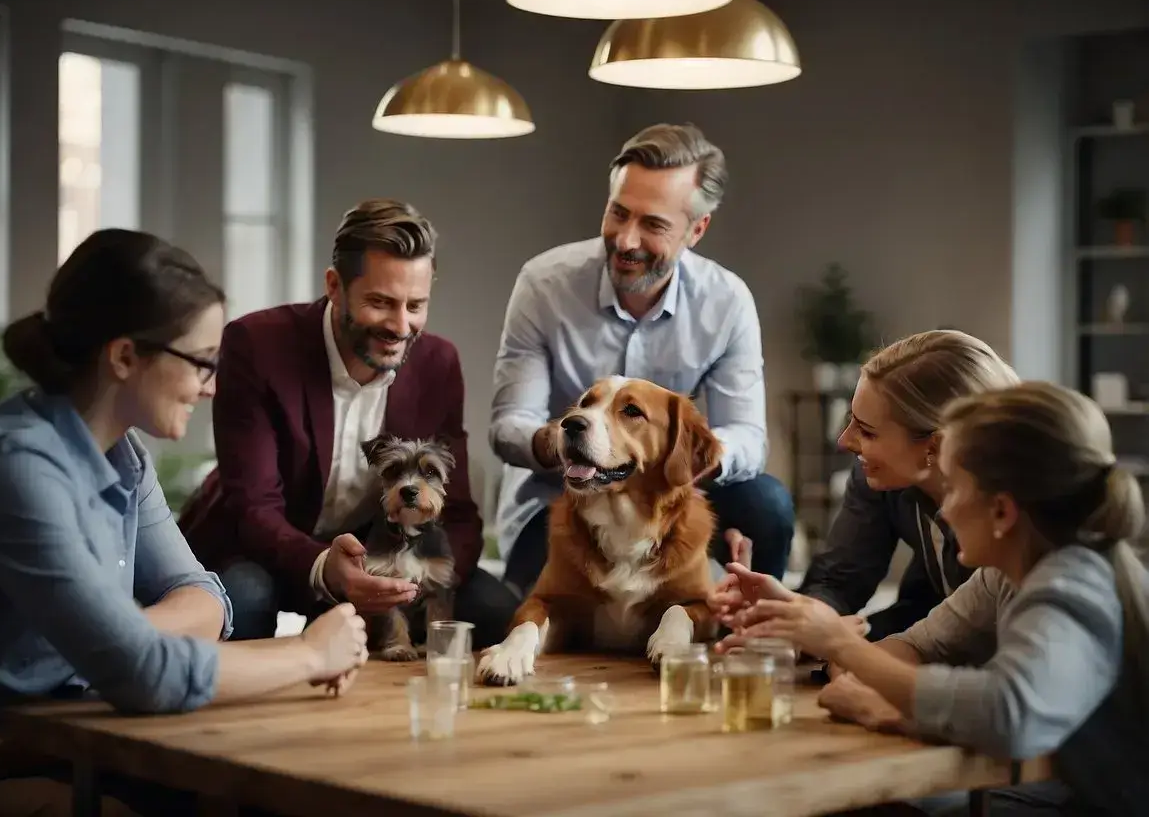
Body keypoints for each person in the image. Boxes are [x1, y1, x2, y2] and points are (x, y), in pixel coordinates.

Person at [0, 230, 369, 810]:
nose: (213, 386)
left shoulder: (125, 455)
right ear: (123, 356)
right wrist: (311, 655)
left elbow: (205, 598)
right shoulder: (19, 472)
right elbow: (144, 672)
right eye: (201, 363)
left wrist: (121, 639)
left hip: (92, 737)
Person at [731, 382, 1149, 816]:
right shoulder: (1010, 575)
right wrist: (809, 623)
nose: (944, 511)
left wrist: (844, 648)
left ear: (1002, 511)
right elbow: (925, 643)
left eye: (954, 490)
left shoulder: (1072, 586)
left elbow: (1008, 714)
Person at [179, 198, 517, 649]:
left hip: (382, 555)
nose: (401, 326)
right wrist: (324, 566)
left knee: (494, 611)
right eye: (380, 302)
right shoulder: (256, 344)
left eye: (415, 305)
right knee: (242, 599)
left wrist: (425, 574)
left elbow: (455, 509)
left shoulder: (438, 362)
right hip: (260, 549)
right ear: (335, 286)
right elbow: (254, 508)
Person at [490, 122, 795, 598]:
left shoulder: (727, 301)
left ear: (697, 229)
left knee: (768, 504)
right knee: (520, 615)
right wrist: (572, 442)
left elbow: (749, 438)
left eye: (653, 224)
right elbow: (509, 425)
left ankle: (756, 627)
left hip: (674, 492)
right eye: (618, 213)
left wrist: (678, 465)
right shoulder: (543, 285)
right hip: (562, 492)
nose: (626, 240)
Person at [711, 330, 1020, 643]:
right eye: (851, 420)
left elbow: (989, 653)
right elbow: (840, 578)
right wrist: (791, 617)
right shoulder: (878, 477)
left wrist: (840, 643)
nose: (844, 441)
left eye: (868, 432)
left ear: (934, 448)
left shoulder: (1017, 523)